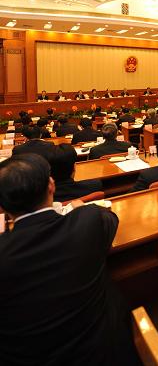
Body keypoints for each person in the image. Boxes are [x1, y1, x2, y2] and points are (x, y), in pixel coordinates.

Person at [0, 154, 139, 365]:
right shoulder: (87, 219)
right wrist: (81, 209)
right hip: (106, 352)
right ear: (51, 186)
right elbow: (110, 219)